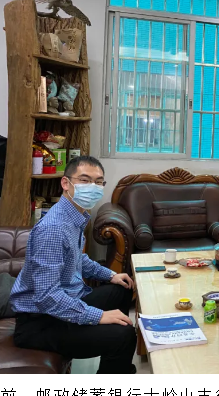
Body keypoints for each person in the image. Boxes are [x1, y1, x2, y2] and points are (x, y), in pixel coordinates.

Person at [11, 155, 137, 374]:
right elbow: (47, 297)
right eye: (85, 180)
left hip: (65, 302)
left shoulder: (73, 217)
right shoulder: (53, 229)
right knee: (124, 335)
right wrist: (99, 316)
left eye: (98, 182)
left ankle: (113, 357)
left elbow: (79, 259)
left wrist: (110, 275)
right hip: (40, 322)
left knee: (121, 288)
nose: (93, 187)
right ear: (65, 183)